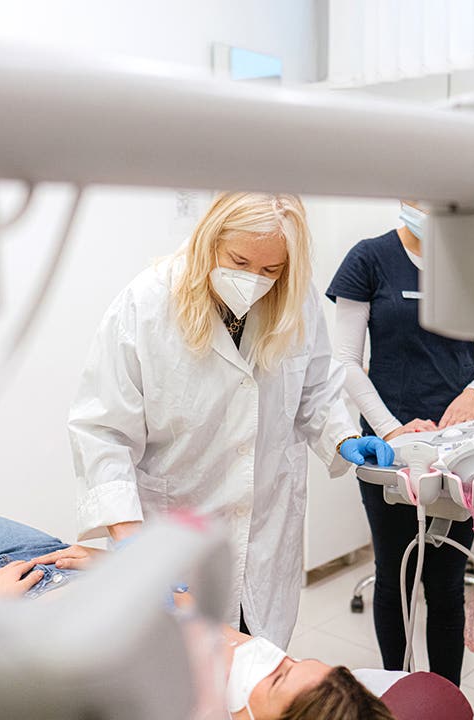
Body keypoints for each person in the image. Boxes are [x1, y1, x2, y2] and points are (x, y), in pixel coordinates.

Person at [0, 487, 398, 720]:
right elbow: (184, 614)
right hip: (58, 563)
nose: (276, 657)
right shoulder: (266, 676)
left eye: (283, 675)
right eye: (301, 660)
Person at [69, 192, 394, 648]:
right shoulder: (146, 304)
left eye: (270, 269)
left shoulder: (294, 297)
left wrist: (343, 437)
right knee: (180, 684)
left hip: (265, 532)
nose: (254, 281)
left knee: (252, 669)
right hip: (172, 541)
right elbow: (102, 430)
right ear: (209, 240)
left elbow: (316, 387)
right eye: (239, 261)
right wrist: (129, 541)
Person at [325, 201, 474, 685]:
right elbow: (345, 360)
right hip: (392, 448)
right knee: (394, 576)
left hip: (459, 450)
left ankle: (444, 700)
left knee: (447, 584)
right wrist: (389, 428)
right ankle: (396, 693)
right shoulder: (368, 259)